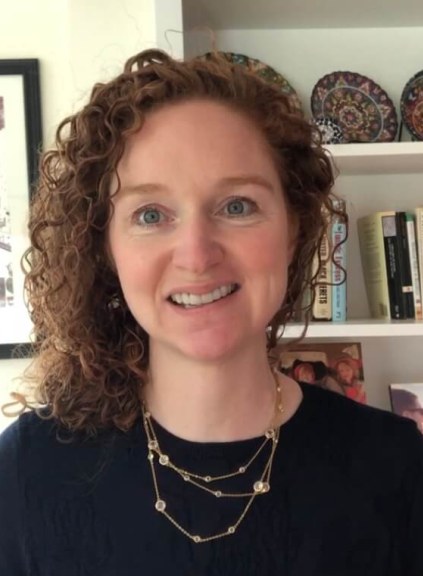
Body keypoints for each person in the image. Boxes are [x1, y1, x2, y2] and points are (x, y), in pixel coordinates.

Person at [0, 49, 422, 576]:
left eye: (237, 206)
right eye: (150, 214)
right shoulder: (24, 473)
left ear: (293, 230)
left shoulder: (396, 465)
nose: (197, 254)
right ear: (104, 249)